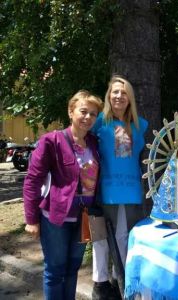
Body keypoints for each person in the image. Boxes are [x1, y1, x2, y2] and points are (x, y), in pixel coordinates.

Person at [23, 90, 103, 300]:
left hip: (84, 217)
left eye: (93, 114)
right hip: (55, 218)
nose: (88, 117)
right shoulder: (52, 141)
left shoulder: (94, 143)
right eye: (83, 111)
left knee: (73, 268)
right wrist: (31, 219)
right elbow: (32, 181)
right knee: (55, 270)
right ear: (71, 111)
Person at [91, 75, 148, 300]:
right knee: (108, 239)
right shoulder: (98, 123)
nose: (119, 96)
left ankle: (126, 283)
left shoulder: (140, 125)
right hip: (107, 190)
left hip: (133, 190)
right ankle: (118, 287)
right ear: (108, 96)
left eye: (124, 92)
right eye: (115, 92)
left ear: (130, 98)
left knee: (129, 238)